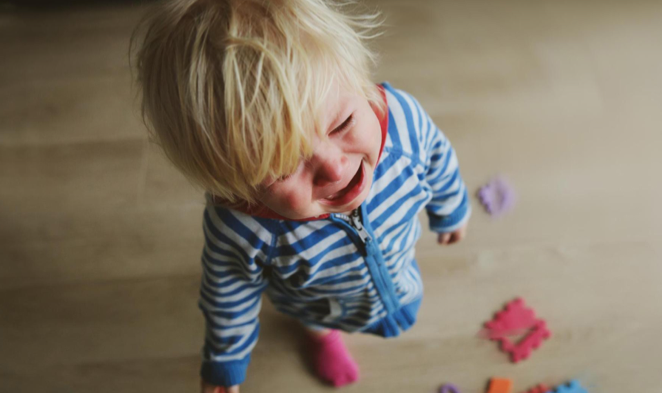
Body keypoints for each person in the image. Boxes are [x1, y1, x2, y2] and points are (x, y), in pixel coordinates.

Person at [133, 0, 470, 391]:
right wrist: (224, 361)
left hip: (397, 259)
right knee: (318, 318)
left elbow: (437, 155)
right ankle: (321, 335)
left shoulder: (402, 121)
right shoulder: (241, 228)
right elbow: (228, 292)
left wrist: (450, 208)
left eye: (342, 123)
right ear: (235, 186)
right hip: (316, 301)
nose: (334, 167)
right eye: (283, 168)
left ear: (358, 79)